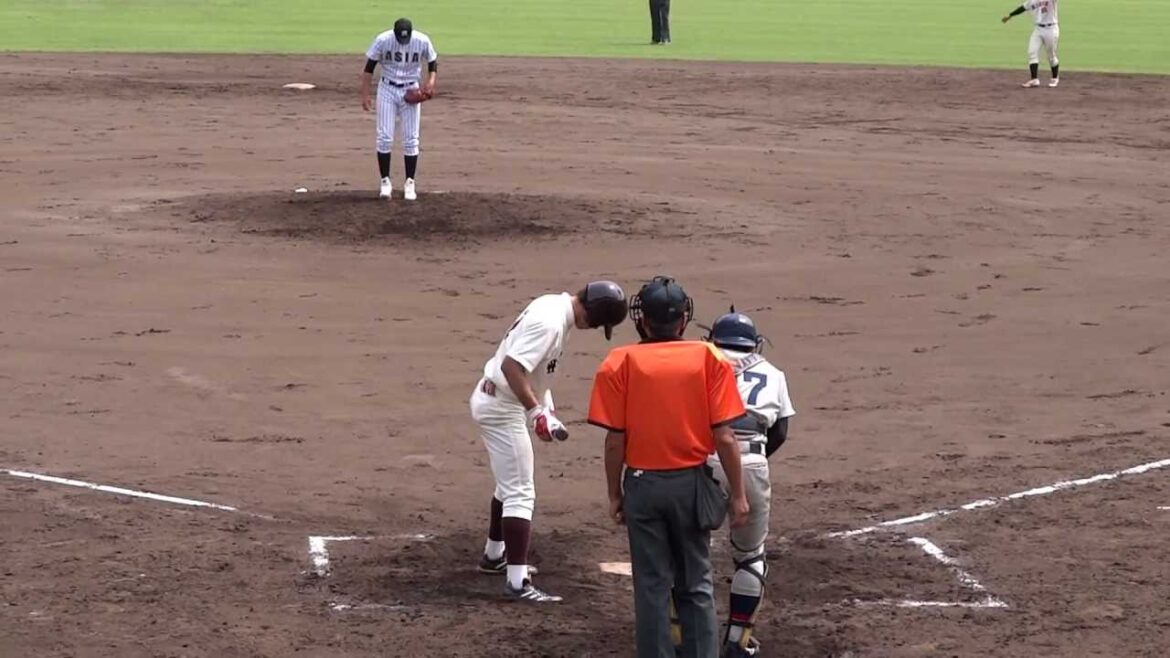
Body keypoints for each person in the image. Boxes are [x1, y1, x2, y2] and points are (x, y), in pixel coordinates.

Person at [588, 276, 750, 658]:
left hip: (643, 487)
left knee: (651, 587)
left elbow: (615, 441)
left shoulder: (619, 362)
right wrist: (739, 495)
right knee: (695, 583)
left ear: (641, 320)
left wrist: (615, 493)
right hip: (690, 486)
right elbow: (725, 437)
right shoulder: (710, 358)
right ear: (682, 321)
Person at [470, 281, 628, 603]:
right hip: (502, 407)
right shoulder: (550, 323)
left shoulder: (555, 308)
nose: (595, 328)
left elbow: (537, 368)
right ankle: (517, 583)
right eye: (599, 323)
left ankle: (494, 555)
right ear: (594, 313)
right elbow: (511, 366)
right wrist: (535, 413)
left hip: (500, 400)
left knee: (508, 484)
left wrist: (545, 404)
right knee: (520, 492)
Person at [702, 309, 796, 658]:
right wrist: (751, 463)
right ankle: (738, 642)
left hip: (704, 461)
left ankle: (682, 634)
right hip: (753, 460)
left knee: (686, 548)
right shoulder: (773, 373)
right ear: (753, 343)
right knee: (750, 556)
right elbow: (781, 432)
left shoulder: (700, 364)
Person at [360, 17, 438, 201]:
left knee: (411, 139)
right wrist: (365, 94)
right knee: (384, 137)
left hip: (411, 89)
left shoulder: (422, 41)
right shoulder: (383, 40)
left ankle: (410, 183)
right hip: (387, 88)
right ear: (394, 33)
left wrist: (431, 82)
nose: (403, 42)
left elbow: (433, 62)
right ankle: (385, 182)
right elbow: (368, 69)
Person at [1002, 0, 1060, 88]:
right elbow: (1022, 8)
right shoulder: (1032, 1)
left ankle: (1055, 78)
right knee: (1032, 52)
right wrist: (1010, 15)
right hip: (1038, 29)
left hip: (1051, 29)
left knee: (1051, 56)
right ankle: (1034, 79)